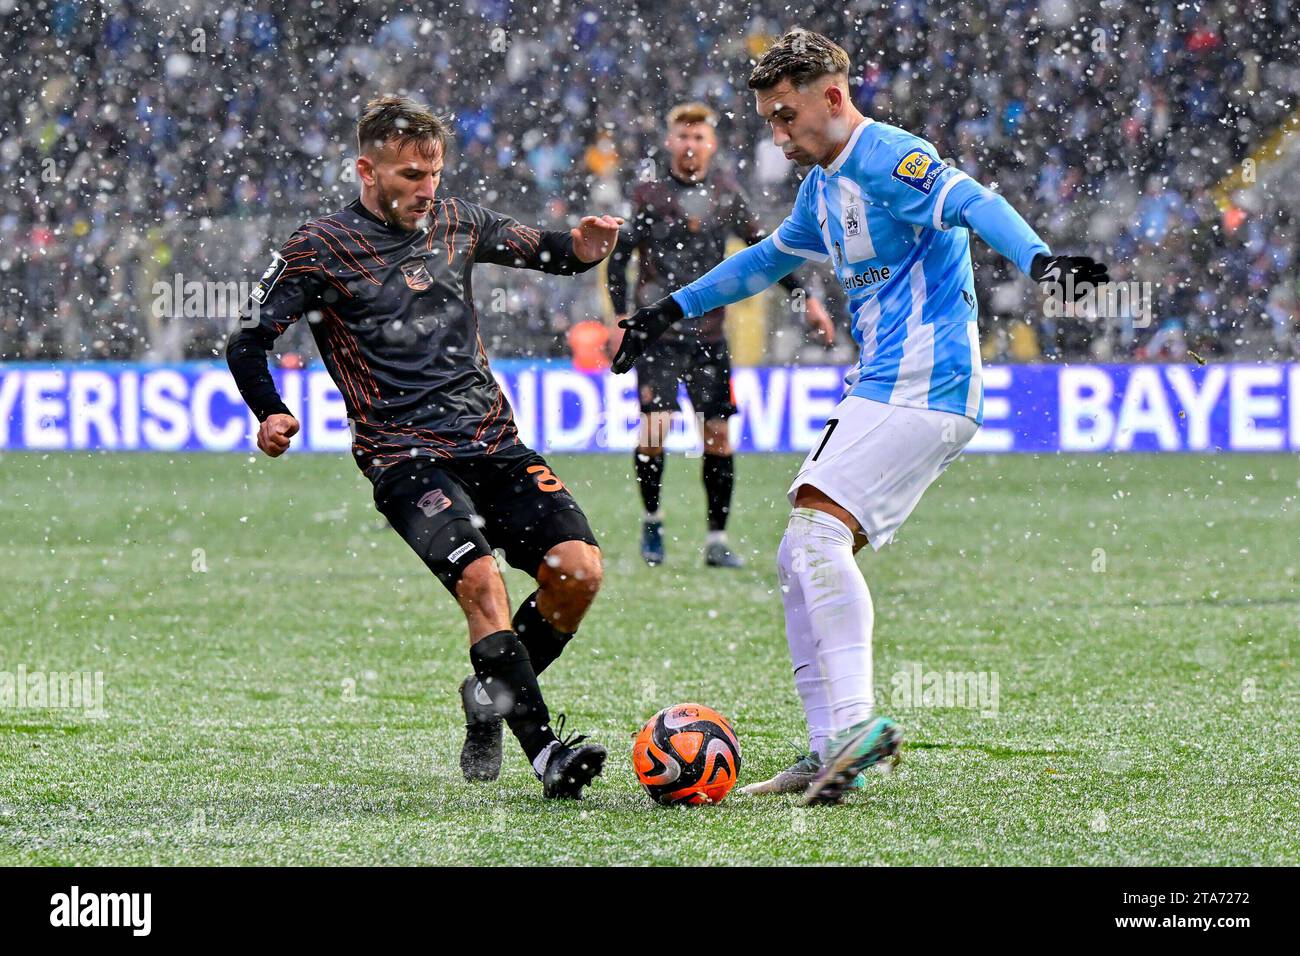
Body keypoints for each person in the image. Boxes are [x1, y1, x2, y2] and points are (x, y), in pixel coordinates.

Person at [613, 31, 1107, 804]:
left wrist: (1043, 262)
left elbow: (972, 201)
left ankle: (851, 727)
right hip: (886, 384)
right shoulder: (822, 187)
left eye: (786, 117)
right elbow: (765, 260)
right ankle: (826, 753)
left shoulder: (890, 158)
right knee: (796, 555)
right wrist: (669, 309)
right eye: (769, 122)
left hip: (926, 380)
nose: (778, 136)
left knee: (816, 533)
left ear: (833, 99)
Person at [226, 94, 625, 799]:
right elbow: (248, 338)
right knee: (484, 585)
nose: (427, 188)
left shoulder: (456, 222)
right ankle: (548, 759)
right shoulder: (319, 248)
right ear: (366, 170)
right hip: (403, 456)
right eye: (410, 174)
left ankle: (488, 694)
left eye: (434, 171)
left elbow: (548, 251)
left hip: (495, 443)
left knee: (578, 573)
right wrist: (271, 410)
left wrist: (583, 250)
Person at [608, 101, 835, 568]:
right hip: (659, 337)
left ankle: (716, 539)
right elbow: (619, 260)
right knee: (655, 430)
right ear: (671, 142)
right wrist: (620, 319)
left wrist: (804, 301)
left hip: (710, 337)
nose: (690, 145)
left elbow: (769, 251)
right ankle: (653, 520)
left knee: (717, 437)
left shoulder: (725, 195)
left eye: (699, 138)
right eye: (683, 137)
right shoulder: (649, 196)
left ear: (711, 145)